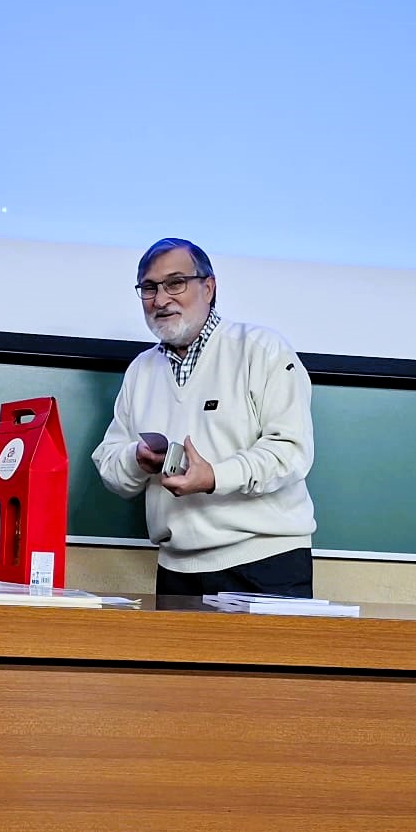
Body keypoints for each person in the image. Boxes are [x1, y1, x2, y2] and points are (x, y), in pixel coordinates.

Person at [92, 237, 317, 597]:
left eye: (175, 283)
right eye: (149, 288)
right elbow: (110, 465)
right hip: (176, 570)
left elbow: (291, 453)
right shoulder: (141, 370)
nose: (160, 299)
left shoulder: (262, 350)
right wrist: (137, 459)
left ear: (208, 288)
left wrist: (214, 476)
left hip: (266, 563)